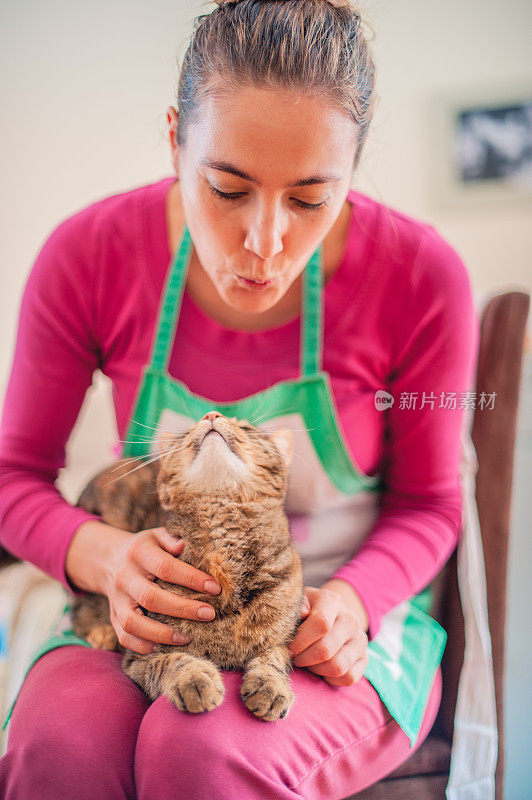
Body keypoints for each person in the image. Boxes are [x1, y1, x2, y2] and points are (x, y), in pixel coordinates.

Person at [0, 0, 478, 797]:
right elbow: (13, 478)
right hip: (139, 601)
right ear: (174, 141)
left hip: (346, 610)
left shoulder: (421, 278)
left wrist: (354, 603)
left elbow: (431, 504)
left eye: (308, 200)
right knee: (63, 745)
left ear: (353, 173)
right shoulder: (88, 257)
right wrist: (110, 559)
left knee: (204, 754)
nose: (264, 243)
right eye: (226, 188)